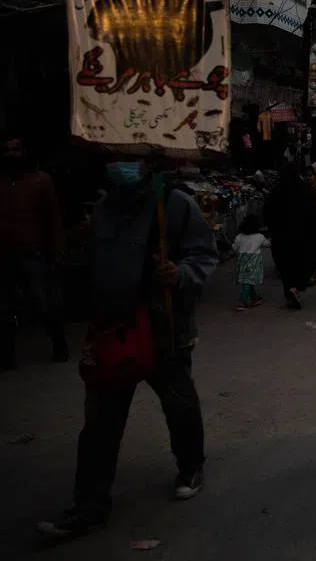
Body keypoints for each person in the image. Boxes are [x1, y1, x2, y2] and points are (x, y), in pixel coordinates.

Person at [36, 157, 218, 539]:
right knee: (100, 423)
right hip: (112, 329)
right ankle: (89, 506)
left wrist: (179, 273)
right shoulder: (103, 208)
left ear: (149, 163)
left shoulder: (175, 204)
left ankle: (191, 465)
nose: (123, 165)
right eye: (116, 157)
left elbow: (204, 256)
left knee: (178, 402)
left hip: (161, 328)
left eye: (131, 159)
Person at [1, 136, 68, 369]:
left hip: (33, 253)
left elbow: (52, 218)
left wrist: (56, 253)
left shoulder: (40, 181)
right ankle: (7, 357)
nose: (12, 154)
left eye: (16, 150)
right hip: (5, 254)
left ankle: (59, 344)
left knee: (43, 302)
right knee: (6, 307)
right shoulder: (3, 182)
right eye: (8, 150)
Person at [264, 163, 316, 309]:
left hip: (282, 236)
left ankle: (290, 289)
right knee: (301, 263)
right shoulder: (306, 190)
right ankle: (296, 288)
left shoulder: (276, 191)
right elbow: (313, 214)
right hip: (302, 236)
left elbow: (267, 212)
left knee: (285, 265)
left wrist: (273, 228)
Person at [232, 215, 269, 311]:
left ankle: (255, 297)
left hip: (241, 261)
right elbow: (267, 244)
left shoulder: (239, 237)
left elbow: (234, 248)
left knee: (247, 281)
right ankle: (242, 302)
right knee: (248, 281)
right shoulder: (260, 237)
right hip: (254, 262)